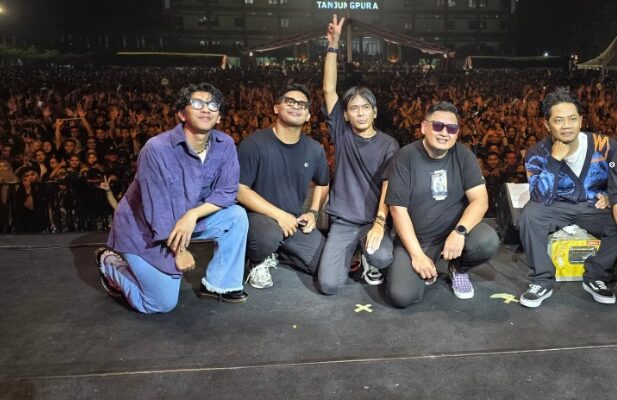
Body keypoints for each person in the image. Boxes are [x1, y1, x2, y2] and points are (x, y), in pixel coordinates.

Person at [95, 82, 249, 314]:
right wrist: (180, 252)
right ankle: (110, 263)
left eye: (212, 105)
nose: (206, 109)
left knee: (236, 216)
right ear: (181, 114)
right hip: (145, 230)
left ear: (219, 117)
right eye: (197, 103)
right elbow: (157, 210)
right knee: (161, 303)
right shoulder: (156, 148)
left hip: (186, 221)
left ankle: (220, 285)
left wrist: (193, 214)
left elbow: (227, 190)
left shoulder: (225, 144)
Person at [385, 101, 499, 308]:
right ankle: (427, 262)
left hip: (452, 234)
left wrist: (460, 231)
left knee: (487, 240)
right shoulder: (405, 156)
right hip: (418, 239)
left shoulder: (463, 155)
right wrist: (417, 255)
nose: (445, 133)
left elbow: (480, 200)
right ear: (424, 127)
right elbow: (397, 210)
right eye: (438, 126)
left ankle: (459, 268)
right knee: (401, 296)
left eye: (452, 128)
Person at [318, 14, 399, 295]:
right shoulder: (342, 134)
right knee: (328, 285)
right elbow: (328, 89)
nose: (360, 112)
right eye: (354, 108)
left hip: (372, 220)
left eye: (366, 107)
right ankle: (352, 252)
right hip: (343, 220)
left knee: (383, 257)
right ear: (346, 115)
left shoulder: (389, 144)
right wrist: (333, 45)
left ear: (375, 112)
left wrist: (379, 223)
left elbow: (389, 186)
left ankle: (367, 255)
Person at [518, 88, 617, 307]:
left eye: (572, 119)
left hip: (594, 206)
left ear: (581, 121)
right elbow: (539, 197)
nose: (567, 126)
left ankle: (597, 275)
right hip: (555, 206)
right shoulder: (537, 153)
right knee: (530, 215)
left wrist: (611, 197)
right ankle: (542, 280)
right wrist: (554, 161)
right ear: (547, 125)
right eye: (558, 120)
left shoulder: (605, 146)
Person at [237, 83, 330, 289]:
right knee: (267, 237)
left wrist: (313, 213)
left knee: (326, 266)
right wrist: (279, 215)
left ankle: (278, 251)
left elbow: (323, 184)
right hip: (258, 218)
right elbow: (240, 190)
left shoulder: (315, 149)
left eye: (302, 104)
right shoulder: (253, 144)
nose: (296, 106)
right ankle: (257, 259)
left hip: (292, 222)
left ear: (308, 115)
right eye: (289, 101)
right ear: (276, 108)